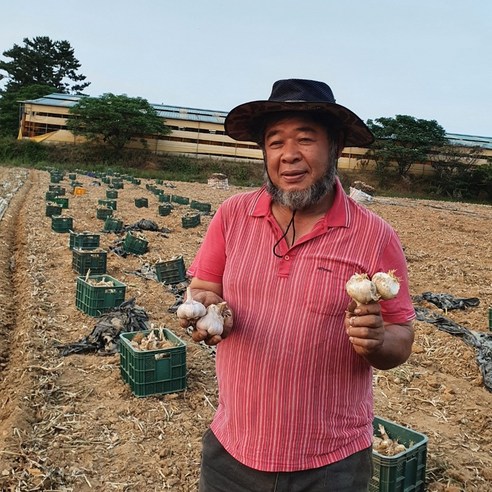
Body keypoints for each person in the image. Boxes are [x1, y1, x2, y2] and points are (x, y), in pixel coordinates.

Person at [180, 79, 415, 492]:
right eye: (275, 142)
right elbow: (204, 287)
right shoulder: (233, 215)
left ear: (335, 146)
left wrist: (377, 341)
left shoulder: (375, 236)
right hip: (231, 451)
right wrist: (207, 310)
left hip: (331, 465)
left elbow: (401, 336)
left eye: (305, 139)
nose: (289, 155)